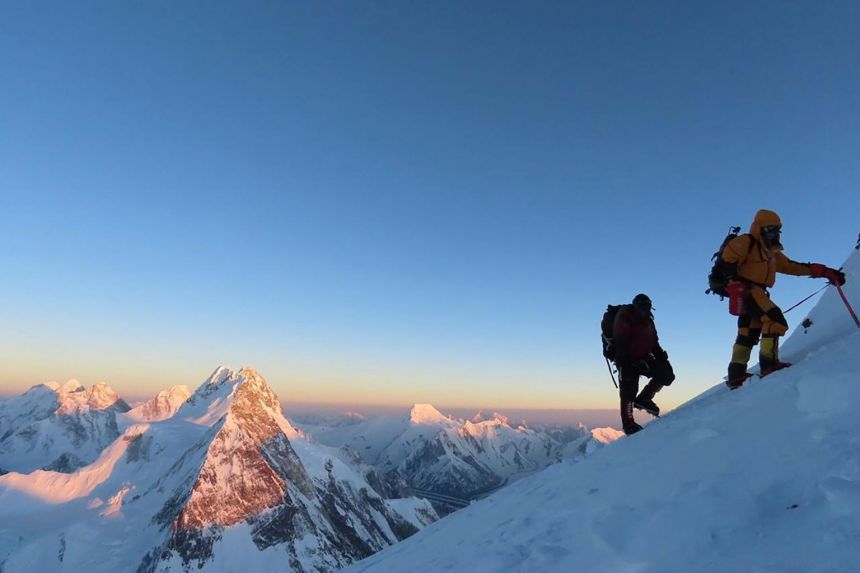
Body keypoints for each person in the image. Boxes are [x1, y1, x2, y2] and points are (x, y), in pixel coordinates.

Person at [720, 209, 846, 389]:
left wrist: (824, 271)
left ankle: (736, 375)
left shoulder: (771, 254)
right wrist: (733, 283)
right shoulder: (746, 242)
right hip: (747, 290)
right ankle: (769, 364)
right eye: (770, 229)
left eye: (777, 229)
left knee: (748, 332)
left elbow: (792, 267)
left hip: (754, 292)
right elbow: (727, 260)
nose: (774, 233)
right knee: (775, 320)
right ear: (760, 228)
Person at [602, 294, 675, 435]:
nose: (645, 310)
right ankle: (628, 424)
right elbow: (620, 343)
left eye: (647, 307)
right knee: (628, 389)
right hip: (625, 358)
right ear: (635, 306)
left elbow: (653, 342)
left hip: (643, 356)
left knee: (666, 374)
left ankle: (644, 399)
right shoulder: (625, 317)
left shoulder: (648, 321)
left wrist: (661, 356)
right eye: (642, 307)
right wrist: (628, 363)